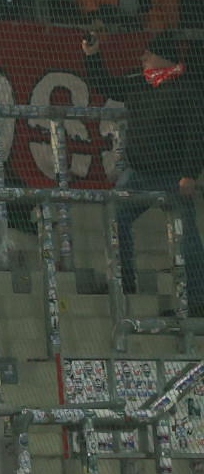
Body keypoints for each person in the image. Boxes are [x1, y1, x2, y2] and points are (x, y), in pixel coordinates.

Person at [81, 30, 204, 300]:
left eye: (148, 52)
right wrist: (92, 56)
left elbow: (197, 134)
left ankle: (197, 299)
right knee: (117, 219)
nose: (143, 57)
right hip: (139, 173)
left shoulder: (186, 89)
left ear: (162, 57)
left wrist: (189, 174)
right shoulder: (139, 83)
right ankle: (123, 284)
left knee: (188, 238)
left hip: (173, 175)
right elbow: (105, 84)